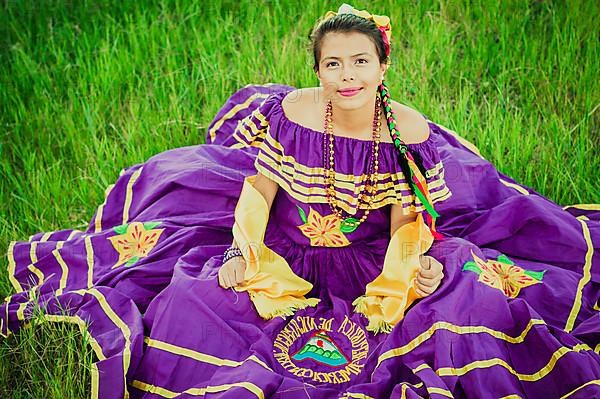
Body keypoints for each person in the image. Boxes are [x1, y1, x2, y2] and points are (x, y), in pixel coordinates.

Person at [2, 4, 599, 398]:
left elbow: (407, 213)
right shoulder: (291, 115)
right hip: (284, 241)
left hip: (369, 248)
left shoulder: (407, 132)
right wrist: (246, 251)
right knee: (193, 300)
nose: (347, 75)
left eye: (361, 62)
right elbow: (260, 187)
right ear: (317, 69)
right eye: (333, 63)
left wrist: (405, 269)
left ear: (383, 65)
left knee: (464, 302)